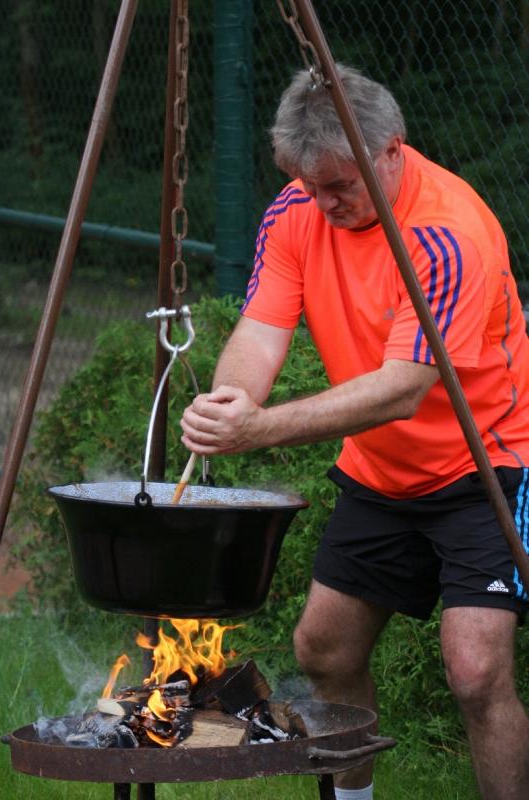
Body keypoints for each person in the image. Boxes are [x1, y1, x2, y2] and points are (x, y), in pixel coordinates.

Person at [181, 66, 529, 799]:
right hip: (380, 471)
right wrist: (230, 405)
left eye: (339, 185)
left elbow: (402, 389)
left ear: (391, 150)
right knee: (324, 650)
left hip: (487, 464)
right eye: (310, 185)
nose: (324, 203)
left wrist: (260, 430)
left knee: (475, 671)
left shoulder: (447, 233)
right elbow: (261, 330)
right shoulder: (296, 209)